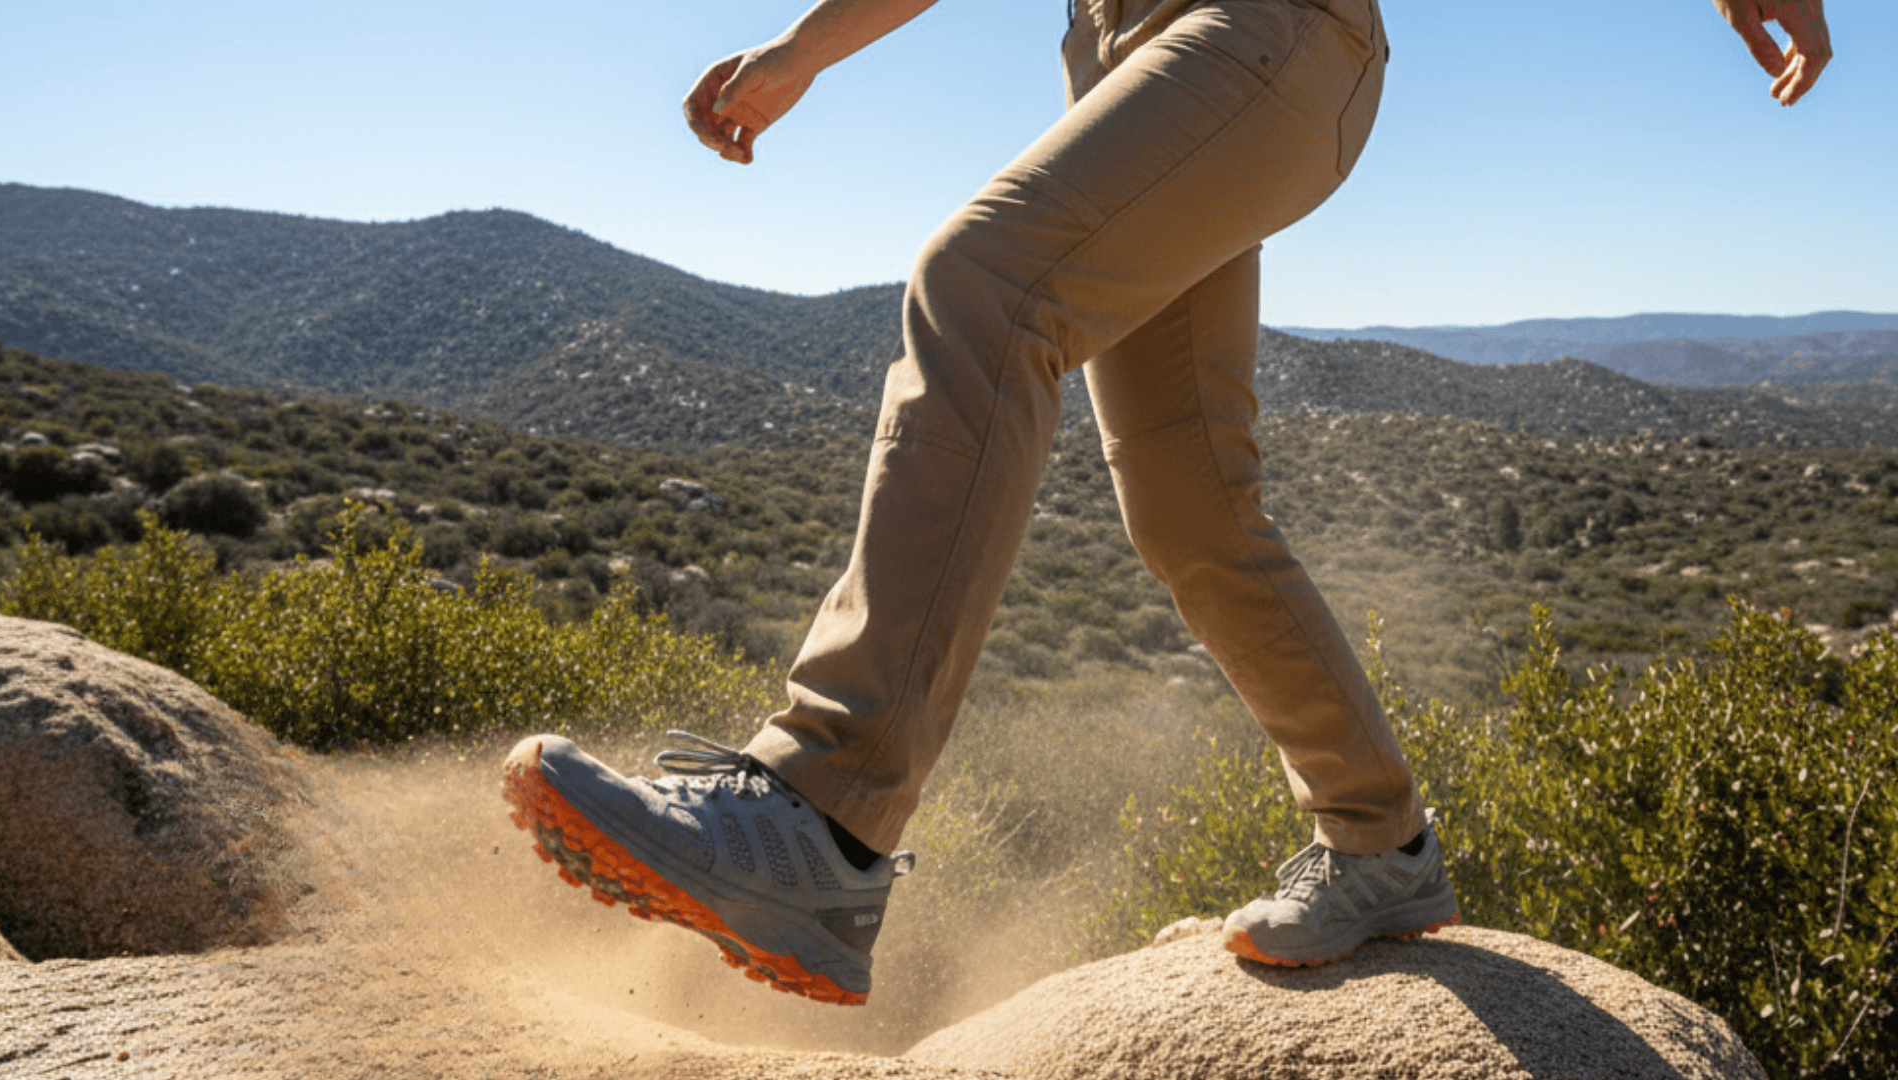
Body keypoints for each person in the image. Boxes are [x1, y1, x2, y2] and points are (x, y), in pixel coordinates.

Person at [501, 0, 1833, 1007]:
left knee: (982, 284)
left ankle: (822, 811)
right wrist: (803, 52)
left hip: (1264, 35)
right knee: (1191, 507)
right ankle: (1380, 844)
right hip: (1147, 61)